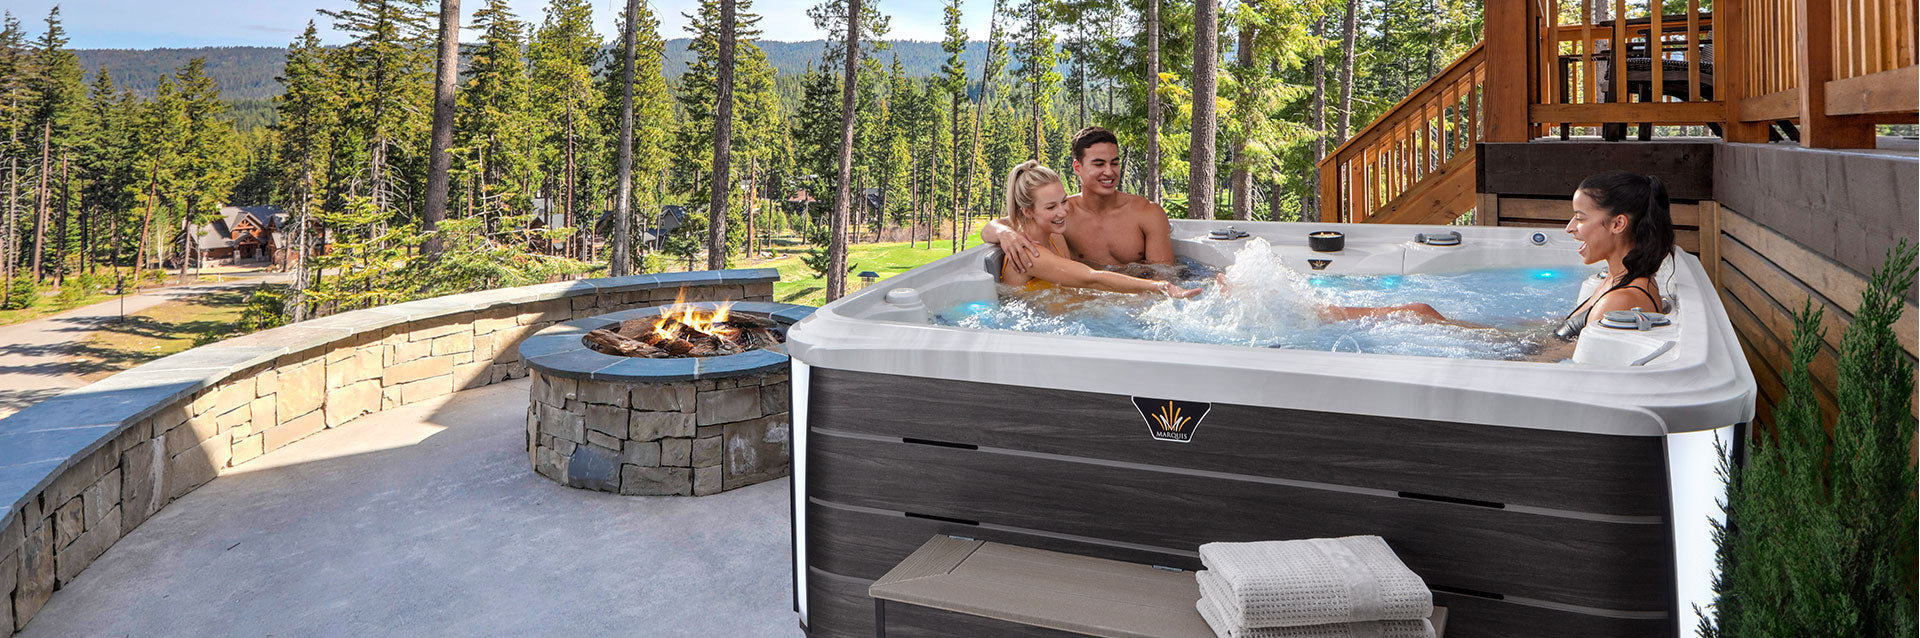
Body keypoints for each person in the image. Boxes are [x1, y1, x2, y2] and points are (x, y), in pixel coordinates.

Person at [996, 160, 1200, 298]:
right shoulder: (1027, 253)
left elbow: (1074, 286)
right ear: (1028, 212)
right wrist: (1160, 286)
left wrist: (1000, 231)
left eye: (1064, 201)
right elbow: (1090, 277)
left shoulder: (1053, 235)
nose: (1063, 211)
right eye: (1051, 207)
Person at [982, 127, 1175, 272]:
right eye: (1099, 164)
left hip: (1138, 305)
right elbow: (992, 227)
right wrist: (1005, 233)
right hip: (1090, 304)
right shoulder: (1062, 214)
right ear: (1077, 167)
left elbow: (1165, 276)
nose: (1109, 172)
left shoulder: (1147, 212)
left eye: (1114, 163)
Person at [1553, 170, 1675, 340]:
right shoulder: (1617, 278)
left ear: (1617, 224)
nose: (1569, 228)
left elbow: (1565, 357)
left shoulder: (1622, 299)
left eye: (1580, 218)